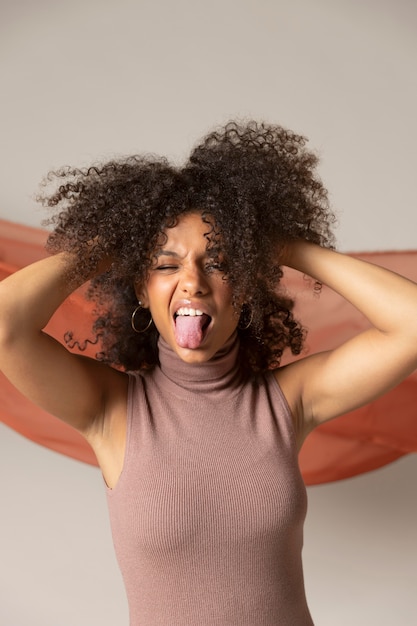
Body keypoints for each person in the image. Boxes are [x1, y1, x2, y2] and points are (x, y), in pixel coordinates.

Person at [0, 121, 416, 625]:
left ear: (246, 288)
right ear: (139, 289)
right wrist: (115, 244)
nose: (193, 282)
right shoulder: (109, 408)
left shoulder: (290, 400)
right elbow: (6, 327)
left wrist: (284, 248)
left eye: (219, 262)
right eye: (167, 265)